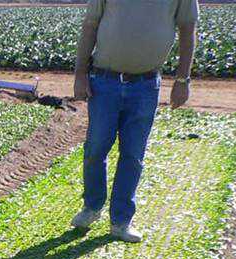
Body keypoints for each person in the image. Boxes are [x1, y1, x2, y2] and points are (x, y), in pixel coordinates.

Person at [70, 0, 198, 242]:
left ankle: (121, 221)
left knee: (133, 154)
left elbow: (188, 30)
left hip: (146, 85)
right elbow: (90, 25)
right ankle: (91, 207)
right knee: (96, 148)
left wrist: (183, 81)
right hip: (104, 81)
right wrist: (80, 74)